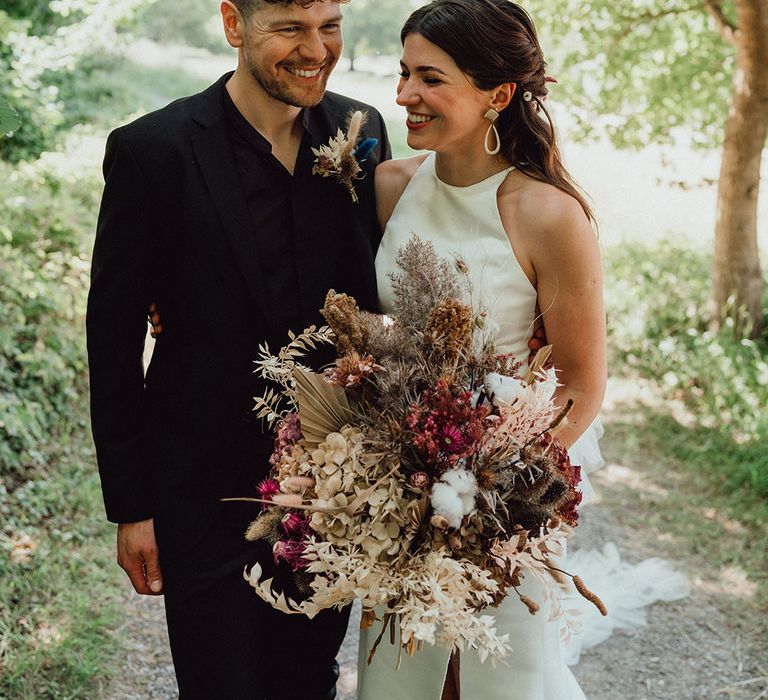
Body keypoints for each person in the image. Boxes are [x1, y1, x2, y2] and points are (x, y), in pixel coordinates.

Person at [86, 0, 390, 697]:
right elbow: (112, 337)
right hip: (201, 491)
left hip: (332, 490)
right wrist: (132, 507)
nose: (316, 48)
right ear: (233, 24)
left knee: (309, 680)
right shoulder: (151, 150)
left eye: (330, 26)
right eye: (290, 27)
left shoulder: (362, 132)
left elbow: (381, 288)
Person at [358, 0, 605, 697]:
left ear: (496, 94)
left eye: (430, 78)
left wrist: (491, 485)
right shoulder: (387, 189)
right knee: (400, 674)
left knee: (499, 677)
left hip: (503, 502)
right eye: (403, 73)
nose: (405, 95)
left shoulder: (549, 214)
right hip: (393, 491)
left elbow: (581, 383)